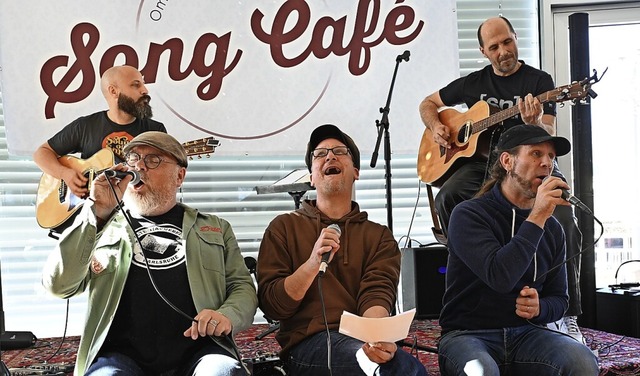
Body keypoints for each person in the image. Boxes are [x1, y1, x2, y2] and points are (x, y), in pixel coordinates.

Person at [418, 16, 584, 341]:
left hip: (528, 159)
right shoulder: (472, 83)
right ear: (483, 51)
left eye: (507, 42)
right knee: (448, 196)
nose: (503, 51)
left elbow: (548, 134)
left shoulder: (540, 80)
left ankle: (567, 313)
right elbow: (429, 104)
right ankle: (477, 271)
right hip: (484, 164)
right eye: (494, 46)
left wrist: (534, 124)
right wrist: (436, 127)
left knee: (562, 211)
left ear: (515, 37)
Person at [42, 132, 258, 376]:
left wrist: (225, 315)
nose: (139, 165)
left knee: (224, 373)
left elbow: (242, 286)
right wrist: (96, 210)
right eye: (133, 158)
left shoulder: (216, 227)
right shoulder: (101, 225)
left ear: (179, 176)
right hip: (119, 355)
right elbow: (58, 286)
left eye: (153, 160)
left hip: (200, 351)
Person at [257, 124, 427, 376]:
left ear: (355, 172)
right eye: (319, 154)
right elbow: (273, 306)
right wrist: (312, 263)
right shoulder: (283, 227)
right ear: (312, 177)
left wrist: (376, 339)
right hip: (307, 344)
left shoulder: (378, 236)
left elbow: (377, 294)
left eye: (339, 151)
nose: (330, 156)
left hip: (361, 337)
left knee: (403, 367)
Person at [437, 124, 598, 375]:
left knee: (582, 361)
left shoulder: (552, 227)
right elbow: (500, 276)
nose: (547, 163)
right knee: (480, 371)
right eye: (536, 154)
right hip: (468, 334)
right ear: (507, 161)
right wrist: (538, 216)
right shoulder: (468, 214)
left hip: (528, 333)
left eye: (551, 157)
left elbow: (560, 299)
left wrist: (540, 308)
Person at [33, 64, 166, 199]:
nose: (145, 90)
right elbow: (42, 153)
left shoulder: (156, 131)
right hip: (91, 211)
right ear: (113, 91)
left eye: (143, 84)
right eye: (136, 85)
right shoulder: (85, 126)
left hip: (138, 210)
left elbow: (164, 177)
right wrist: (65, 174)